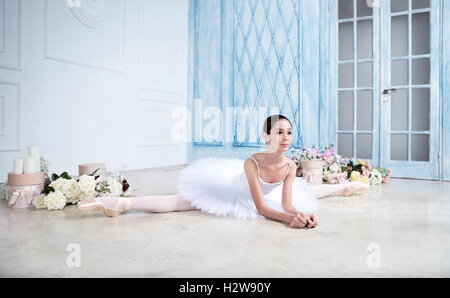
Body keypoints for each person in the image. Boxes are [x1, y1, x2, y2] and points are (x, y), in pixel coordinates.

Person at [78, 114, 369, 228]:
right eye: (279, 132)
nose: (286, 138)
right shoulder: (251, 163)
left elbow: (286, 203)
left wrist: (299, 215)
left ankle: (343, 188)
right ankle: (120, 203)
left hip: (270, 193)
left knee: (305, 192)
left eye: (289, 132)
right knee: (181, 202)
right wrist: (287, 221)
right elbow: (260, 207)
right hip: (234, 188)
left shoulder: (291, 165)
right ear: (266, 136)